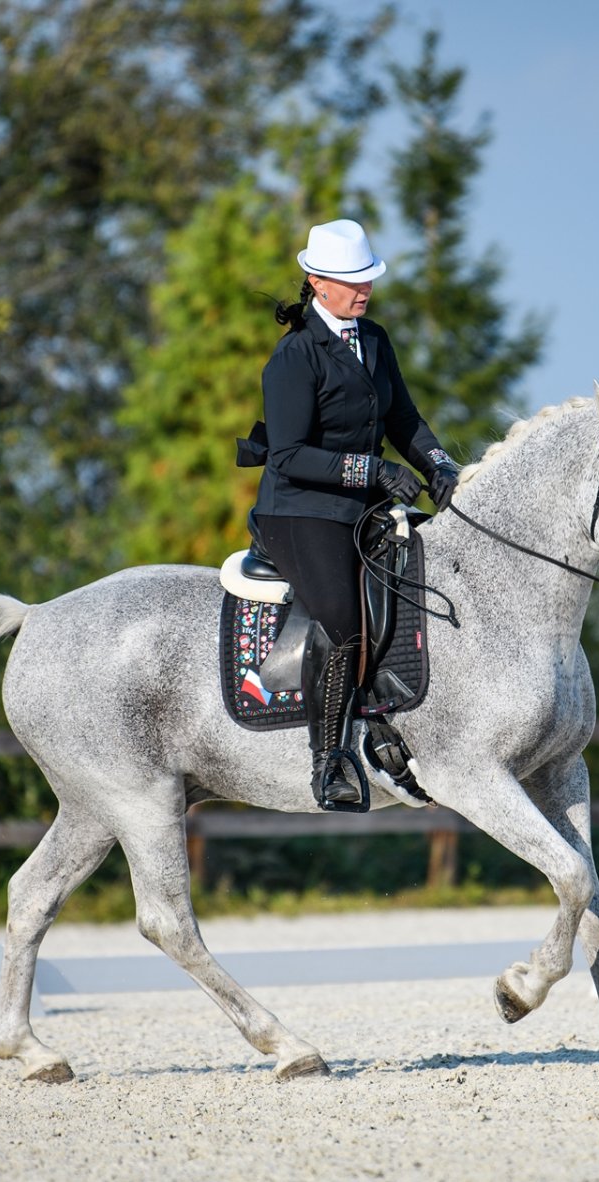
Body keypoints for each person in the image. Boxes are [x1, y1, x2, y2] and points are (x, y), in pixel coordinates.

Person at [246, 219, 461, 810]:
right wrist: (373, 472)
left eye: (368, 278)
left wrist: (441, 466)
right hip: (300, 510)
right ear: (317, 282)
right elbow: (289, 455)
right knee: (342, 619)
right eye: (351, 281)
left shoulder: (376, 340)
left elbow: (405, 421)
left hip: (361, 508)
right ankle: (331, 761)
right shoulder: (294, 357)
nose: (364, 290)